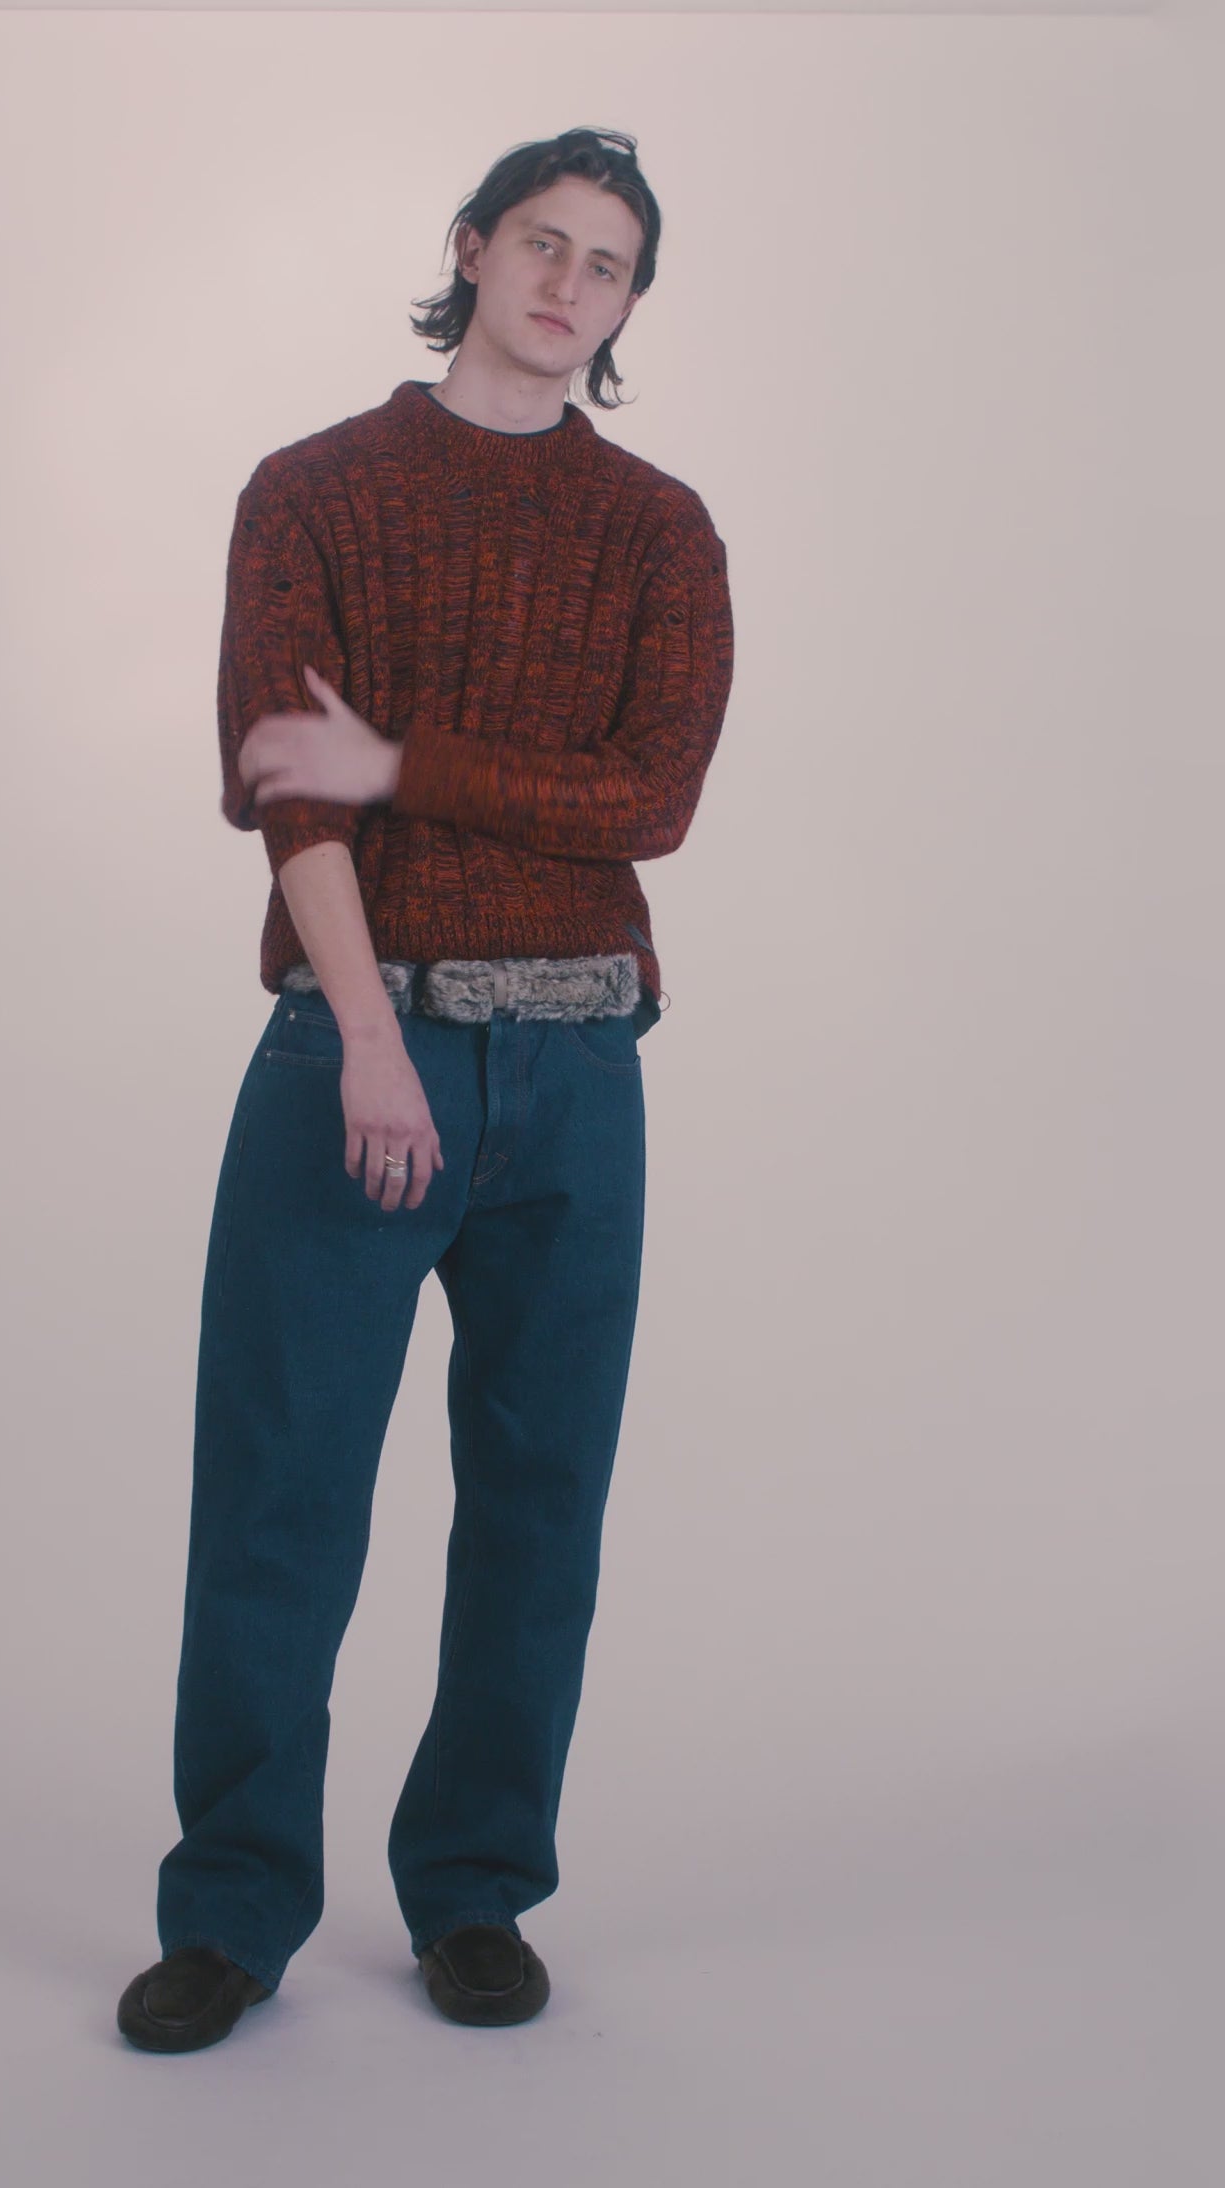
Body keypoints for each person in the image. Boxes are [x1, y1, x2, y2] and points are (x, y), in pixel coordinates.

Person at [117, 126, 735, 2052]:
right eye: (540, 242)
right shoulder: (312, 489)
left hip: (580, 1067)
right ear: (468, 248)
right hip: (354, 1049)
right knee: (279, 1497)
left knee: (540, 1507)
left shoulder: (658, 529)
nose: (567, 284)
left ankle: (473, 1888)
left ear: (628, 305)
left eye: (607, 264)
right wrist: (372, 1036)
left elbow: (650, 801)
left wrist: (397, 762)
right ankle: (232, 1911)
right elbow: (283, 783)